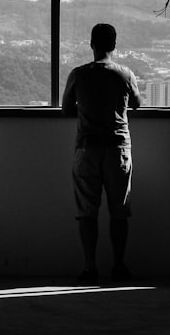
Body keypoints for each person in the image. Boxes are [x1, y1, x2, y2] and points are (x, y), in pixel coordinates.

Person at [61, 23, 142, 285]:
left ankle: (90, 267)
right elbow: (138, 104)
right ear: (114, 45)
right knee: (119, 211)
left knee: (87, 211)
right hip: (118, 148)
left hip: (87, 148)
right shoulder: (125, 75)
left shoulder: (78, 74)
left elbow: (66, 109)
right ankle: (119, 265)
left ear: (91, 44)